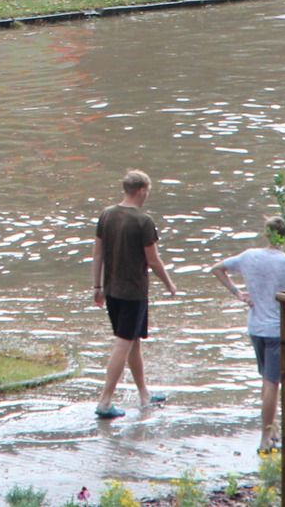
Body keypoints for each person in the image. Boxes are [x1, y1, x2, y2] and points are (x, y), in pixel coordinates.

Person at [212, 217, 285, 453]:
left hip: (255, 328)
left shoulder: (249, 256)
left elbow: (216, 269)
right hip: (278, 330)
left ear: (266, 233)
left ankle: (273, 429)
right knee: (272, 383)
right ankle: (265, 437)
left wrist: (238, 293)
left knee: (267, 382)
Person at [91, 167, 177, 419]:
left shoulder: (107, 215)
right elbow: (153, 261)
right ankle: (105, 401)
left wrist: (97, 287)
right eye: (147, 190)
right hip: (133, 292)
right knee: (123, 343)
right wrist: (169, 284)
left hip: (112, 290)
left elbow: (98, 253)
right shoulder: (143, 221)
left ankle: (144, 395)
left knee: (133, 342)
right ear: (141, 190)